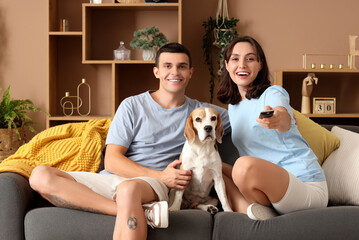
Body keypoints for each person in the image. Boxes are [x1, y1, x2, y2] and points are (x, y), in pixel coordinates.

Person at [29, 42, 230, 240]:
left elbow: (246, 118)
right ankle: (137, 211)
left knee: (129, 190)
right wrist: (161, 176)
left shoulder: (202, 114)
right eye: (167, 66)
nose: (174, 72)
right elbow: (112, 161)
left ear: (190, 73)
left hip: (149, 186)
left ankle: (132, 204)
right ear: (156, 72)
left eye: (182, 66)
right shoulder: (132, 105)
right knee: (40, 175)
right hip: (123, 178)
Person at [217, 36, 328, 221]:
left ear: (260, 64)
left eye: (250, 59)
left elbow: (282, 116)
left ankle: (256, 210)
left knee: (243, 166)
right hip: (274, 187)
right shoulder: (233, 106)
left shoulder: (272, 93)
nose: (242, 65)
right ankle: (256, 211)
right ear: (227, 65)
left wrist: (276, 118)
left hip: (305, 184)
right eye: (235, 59)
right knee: (214, 167)